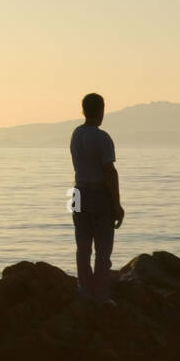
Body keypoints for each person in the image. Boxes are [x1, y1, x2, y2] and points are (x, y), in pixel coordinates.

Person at [69, 93, 124, 300]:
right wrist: (117, 205)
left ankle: (84, 291)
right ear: (101, 111)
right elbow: (110, 171)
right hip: (99, 196)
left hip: (79, 193)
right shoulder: (102, 138)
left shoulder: (76, 134)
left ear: (83, 111)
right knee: (102, 250)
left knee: (83, 248)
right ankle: (100, 296)